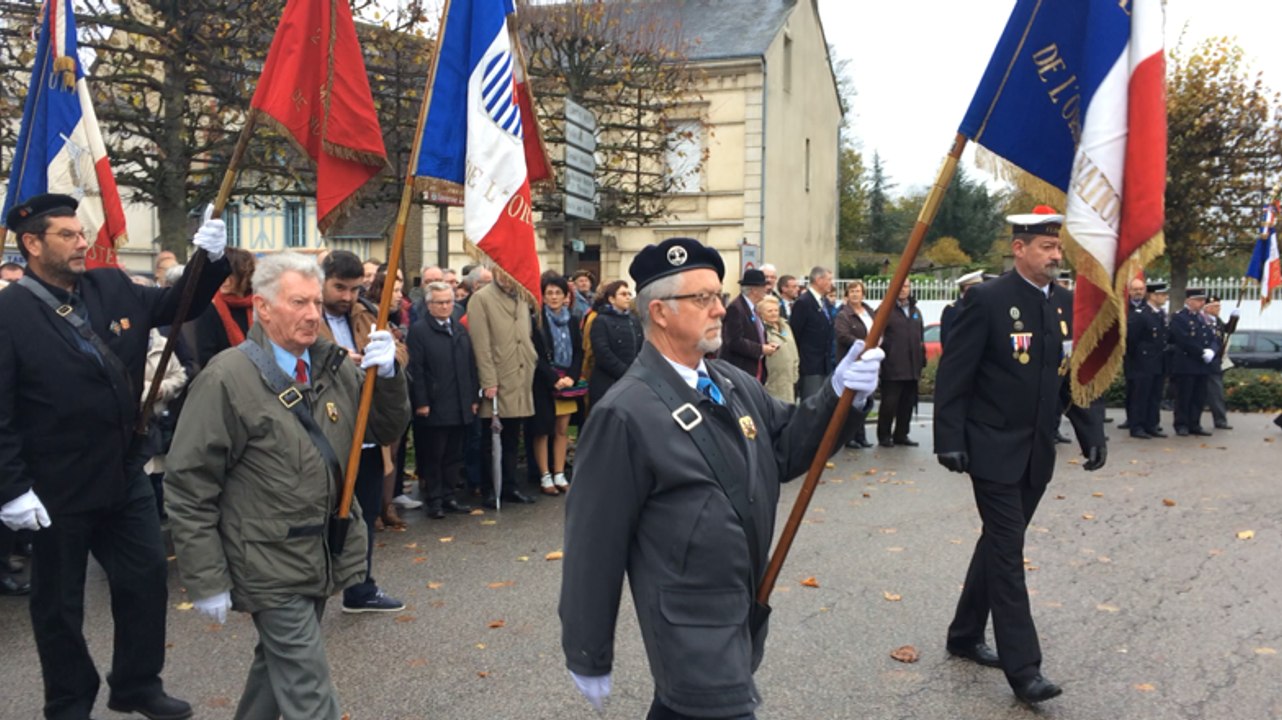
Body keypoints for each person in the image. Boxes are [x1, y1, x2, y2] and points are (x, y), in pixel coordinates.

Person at [560, 237, 884, 719]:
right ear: (661, 313)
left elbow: (787, 445)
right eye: (703, 298)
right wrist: (588, 652)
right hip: (688, 622)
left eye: (719, 294)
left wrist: (841, 395)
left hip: (741, 606)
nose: (720, 309)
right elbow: (593, 543)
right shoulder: (625, 414)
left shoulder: (732, 382)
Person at [0, 192, 229, 720]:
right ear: (32, 244)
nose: (83, 242)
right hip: (53, 483)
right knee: (58, 605)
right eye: (67, 235)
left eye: (81, 233)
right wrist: (11, 488)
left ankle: (136, 683)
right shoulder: (9, 314)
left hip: (122, 470)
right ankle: (68, 699)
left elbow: (180, 305)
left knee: (146, 577)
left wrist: (208, 261)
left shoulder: (111, 285)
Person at [165, 252, 409, 720]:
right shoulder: (226, 378)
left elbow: (383, 423)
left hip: (319, 548)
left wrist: (390, 376)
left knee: (278, 666)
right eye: (299, 303)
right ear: (263, 307)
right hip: (266, 557)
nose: (313, 314)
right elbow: (189, 484)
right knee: (307, 688)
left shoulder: (333, 366)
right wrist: (206, 576)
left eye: (316, 302)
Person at [933, 208, 1106, 705]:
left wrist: (1090, 429)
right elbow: (955, 374)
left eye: (1058, 248)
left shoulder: (1062, 304)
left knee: (998, 543)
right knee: (1008, 554)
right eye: (1047, 248)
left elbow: (1073, 374)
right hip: (991, 449)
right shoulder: (986, 300)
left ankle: (964, 634)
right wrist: (950, 437)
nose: (1056, 256)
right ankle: (1024, 670)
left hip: (1036, 451)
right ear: (1019, 249)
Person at [316, 251, 410, 610]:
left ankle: (360, 588)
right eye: (339, 287)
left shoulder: (368, 312)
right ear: (320, 280)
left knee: (365, 512)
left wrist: (387, 360)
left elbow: (400, 350)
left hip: (365, 430)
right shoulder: (305, 314)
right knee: (321, 515)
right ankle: (312, 589)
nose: (347, 297)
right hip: (324, 433)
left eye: (354, 289)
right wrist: (339, 358)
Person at [407, 281, 478, 519]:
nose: (446, 306)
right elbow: (416, 370)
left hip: (459, 402)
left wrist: (472, 398)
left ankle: (449, 495)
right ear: (429, 305)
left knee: (454, 454)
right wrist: (422, 402)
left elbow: (469, 366)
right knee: (434, 455)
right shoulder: (419, 331)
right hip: (435, 404)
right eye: (440, 303)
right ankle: (434, 499)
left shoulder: (458, 329)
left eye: (449, 302)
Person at [468, 269, 538, 506]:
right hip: (498, 376)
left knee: (511, 437)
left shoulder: (522, 296)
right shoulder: (481, 299)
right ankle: (490, 487)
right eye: (503, 271)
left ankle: (510, 485)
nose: (508, 277)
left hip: (520, 374)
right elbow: (481, 343)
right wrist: (488, 380)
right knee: (491, 439)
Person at [532, 273, 585, 495]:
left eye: (558, 293)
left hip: (567, 382)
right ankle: (544, 475)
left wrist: (571, 376)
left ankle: (559, 472)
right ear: (543, 295)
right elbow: (536, 354)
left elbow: (578, 351)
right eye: (549, 293)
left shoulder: (572, 320)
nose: (554, 297)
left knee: (562, 429)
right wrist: (554, 378)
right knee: (542, 429)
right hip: (544, 381)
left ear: (566, 296)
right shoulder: (537, 321)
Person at [877, 278, 925, 447]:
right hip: (893, 365)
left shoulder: (916, 310)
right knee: (889, 404)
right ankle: (884, 436)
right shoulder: (885, 310)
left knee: (907, 404)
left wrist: (922, 361)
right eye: (900, 286)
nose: (903, 289)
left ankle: (901, 434)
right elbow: (877, 338)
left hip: (912, 367)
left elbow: (920, 338)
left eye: (906, 286)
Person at [194, 246, 256, 366]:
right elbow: (205, 356)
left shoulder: (258, 305)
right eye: (220, 275)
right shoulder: (209, 307)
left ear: (245, 276)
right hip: (226, 376)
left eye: (230, 275)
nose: (224, 280)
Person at [587, 280, 644, 407]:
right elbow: (602, 352)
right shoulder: (601, 320)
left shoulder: (634, 321)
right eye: (623, 294)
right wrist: (625, 372)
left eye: (629, 294)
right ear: (612, 299)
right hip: (607, 382)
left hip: (632, 381)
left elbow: (641, 348)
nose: (628, 297)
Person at [1168, 287, 1217, 436]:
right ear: (1189, 301)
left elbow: (1213, 337)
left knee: (1199, 396)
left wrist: (1212, 350)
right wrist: (1201, 352)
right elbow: (1183, 339)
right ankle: (1181, 424)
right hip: (1186, 363)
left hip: (1202, 365)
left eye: (1203, 300)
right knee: (1184, 396)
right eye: (1198, 300)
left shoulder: (1204, 318)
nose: (1202, 303)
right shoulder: (1179, 317)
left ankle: (1194, 423)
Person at [835, 279, 877, 448]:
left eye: (857, 291)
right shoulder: (843, 314)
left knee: (864, 398)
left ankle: (861, 435)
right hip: (851, 360)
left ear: (863, 294)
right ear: (847, 295)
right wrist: (863, 345)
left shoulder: (870, 311)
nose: (855, 294)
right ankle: (848, 437)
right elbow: (842, 336)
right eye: (851, 291)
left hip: (868, 360)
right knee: (850, 400)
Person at [1123, 279, 1168, 438]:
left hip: (1158, 362)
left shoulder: (1160, 314)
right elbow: (1131, 340)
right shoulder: (1141, 315)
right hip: (1142, 363)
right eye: (1162, 295)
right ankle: (1137, 426)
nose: (1165, 297)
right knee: (1140, 396)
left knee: (1154, 396)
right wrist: (1137, 359)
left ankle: (1151, 424)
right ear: (1153, 296)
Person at [720, 268, 776, 382]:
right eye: (763, 287)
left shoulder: (753, 308)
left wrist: (767, 345)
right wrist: (761, 349)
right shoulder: (736, 308)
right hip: (740, 372)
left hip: (754, 371)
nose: (766, 290)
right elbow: (734, 341)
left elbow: (753, 335)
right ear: (754, 290)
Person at [790, 266, 836, 400]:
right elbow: (796, 332)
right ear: (818, 280)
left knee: (823, 405)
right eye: (829, 279)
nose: (831, 283)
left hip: (825, 364)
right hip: (810, 365)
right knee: (812, 404)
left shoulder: (825, 302)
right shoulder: (804, 302)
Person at [1204, 295, 1240, 430]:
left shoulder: (1217, 320)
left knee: (1216, 392)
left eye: (1219, 306)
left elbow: (1228, 330)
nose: (1217, 309)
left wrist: (1234, 319)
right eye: (1214, 306)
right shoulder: (1203, 320)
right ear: (1206, 308)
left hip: (1215, 362)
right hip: (1203, 360)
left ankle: (1220, 420)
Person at [759, 295, 798, 403]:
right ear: (761, 313)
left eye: (776, 310)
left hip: (789, 379)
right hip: (772, 381)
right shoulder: (762, 329)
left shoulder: (785, 326)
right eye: (769, 311)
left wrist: (795, 373)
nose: (774, 313)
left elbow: (794, 349)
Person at [939, 270, 984, 350]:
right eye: (977, 286)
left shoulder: (981, 306)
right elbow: (946, 339)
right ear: (966, 288)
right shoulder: (952, 309)